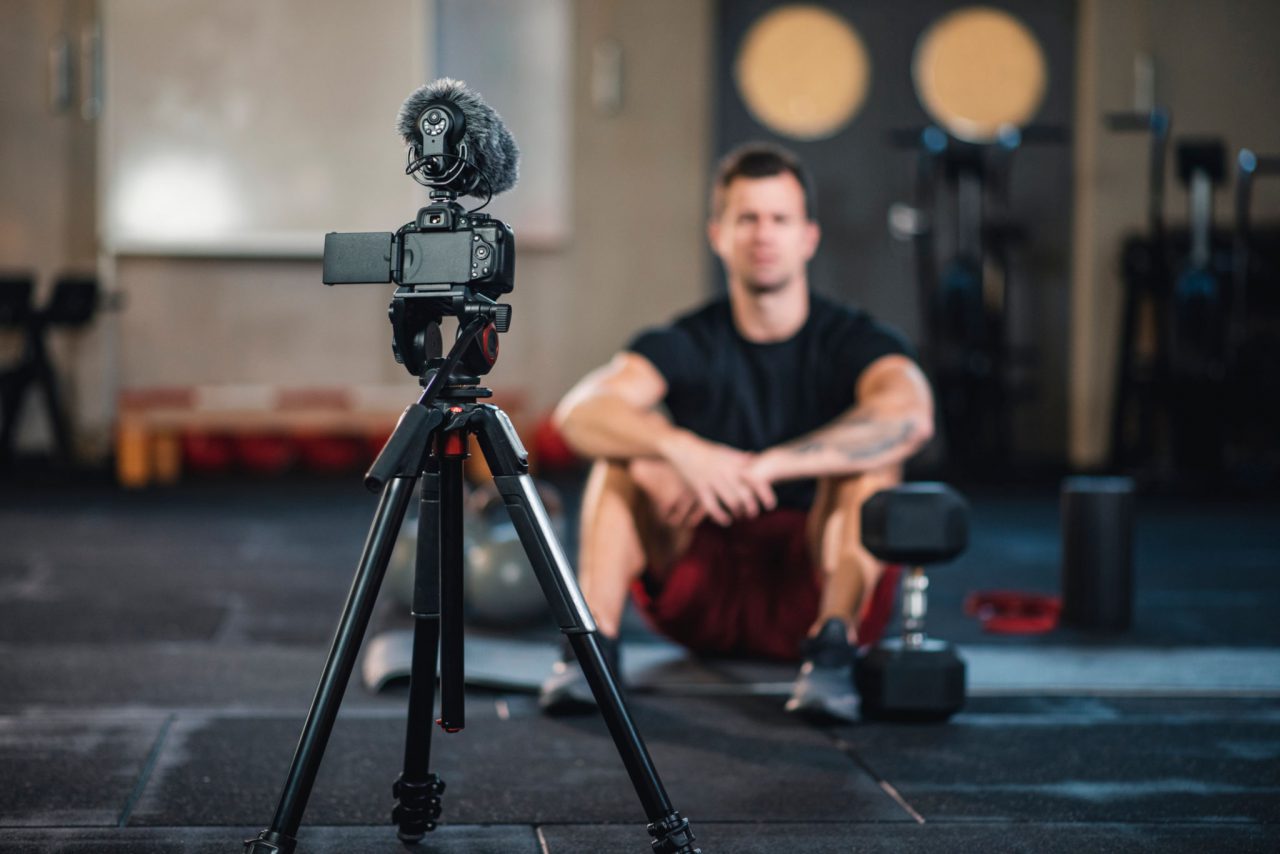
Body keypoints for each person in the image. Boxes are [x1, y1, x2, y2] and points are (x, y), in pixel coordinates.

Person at [540, 143, 935, 722]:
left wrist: (770, 465)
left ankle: (831, 654)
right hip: (707, 583)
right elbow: (579, 413)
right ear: (718, 234)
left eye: (780, 219)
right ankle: (589, 654)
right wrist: (684, 451)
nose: (763, 234)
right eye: (746, 219)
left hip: (815, 579)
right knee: (624, 459)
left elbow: (908, 417)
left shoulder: (854, 340)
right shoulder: (689, 340)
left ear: (808, 237)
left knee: (871, 460)